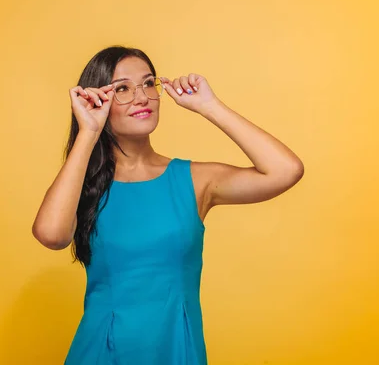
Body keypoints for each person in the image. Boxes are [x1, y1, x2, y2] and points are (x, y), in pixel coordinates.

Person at [32, 46, 304, 364]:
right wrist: (88, 132)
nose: (142, 96)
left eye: (149, 83)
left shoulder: (195, 180)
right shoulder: (83, 185)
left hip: (177, 352)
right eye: (122, 88)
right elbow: (51, 234)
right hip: (100, 353)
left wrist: (210, 106)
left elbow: (286, 170)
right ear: (99, 100)